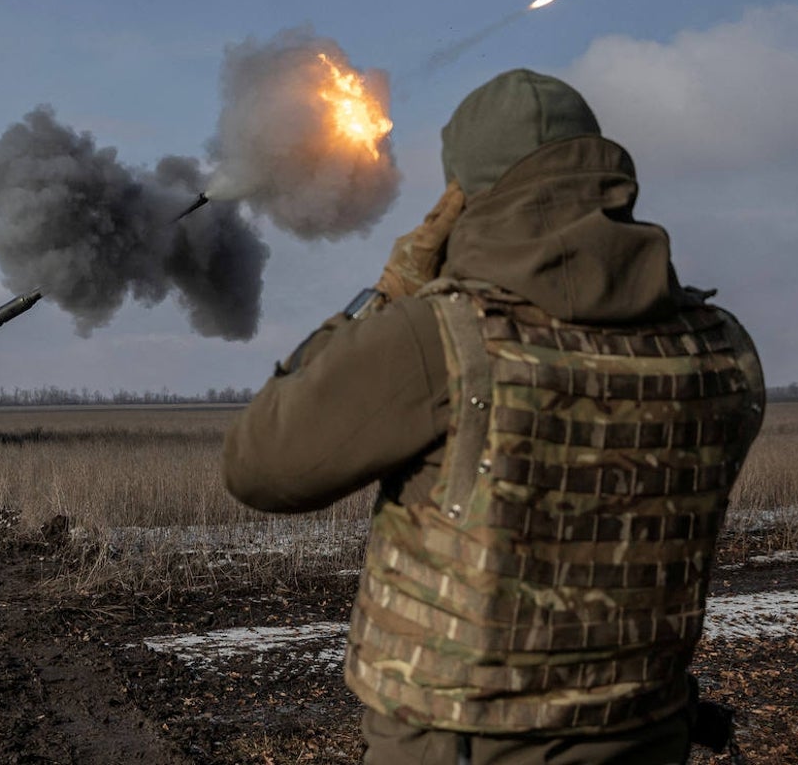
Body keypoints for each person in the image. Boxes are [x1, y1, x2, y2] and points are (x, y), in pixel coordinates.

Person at [222, 69, 765, 765]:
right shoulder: (719, 348)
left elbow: (259, 465)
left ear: (463, 197)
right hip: (648, 736)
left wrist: (388, 294)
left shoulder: (438, 338)